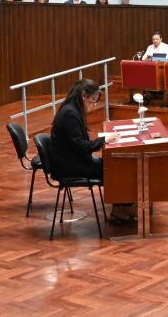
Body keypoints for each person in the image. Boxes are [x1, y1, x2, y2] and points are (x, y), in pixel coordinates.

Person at [47, 80, 132, 223]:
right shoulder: (70, 114)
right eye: (92, 100)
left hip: (72, 160)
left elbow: (79, 144)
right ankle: (119, 210)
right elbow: (80, 146)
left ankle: (122, 206)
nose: (93, 105)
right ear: (83, 95)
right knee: (116, 168)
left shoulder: (72, 109)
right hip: (69, 166)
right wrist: (104, 140)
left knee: (116, 165)